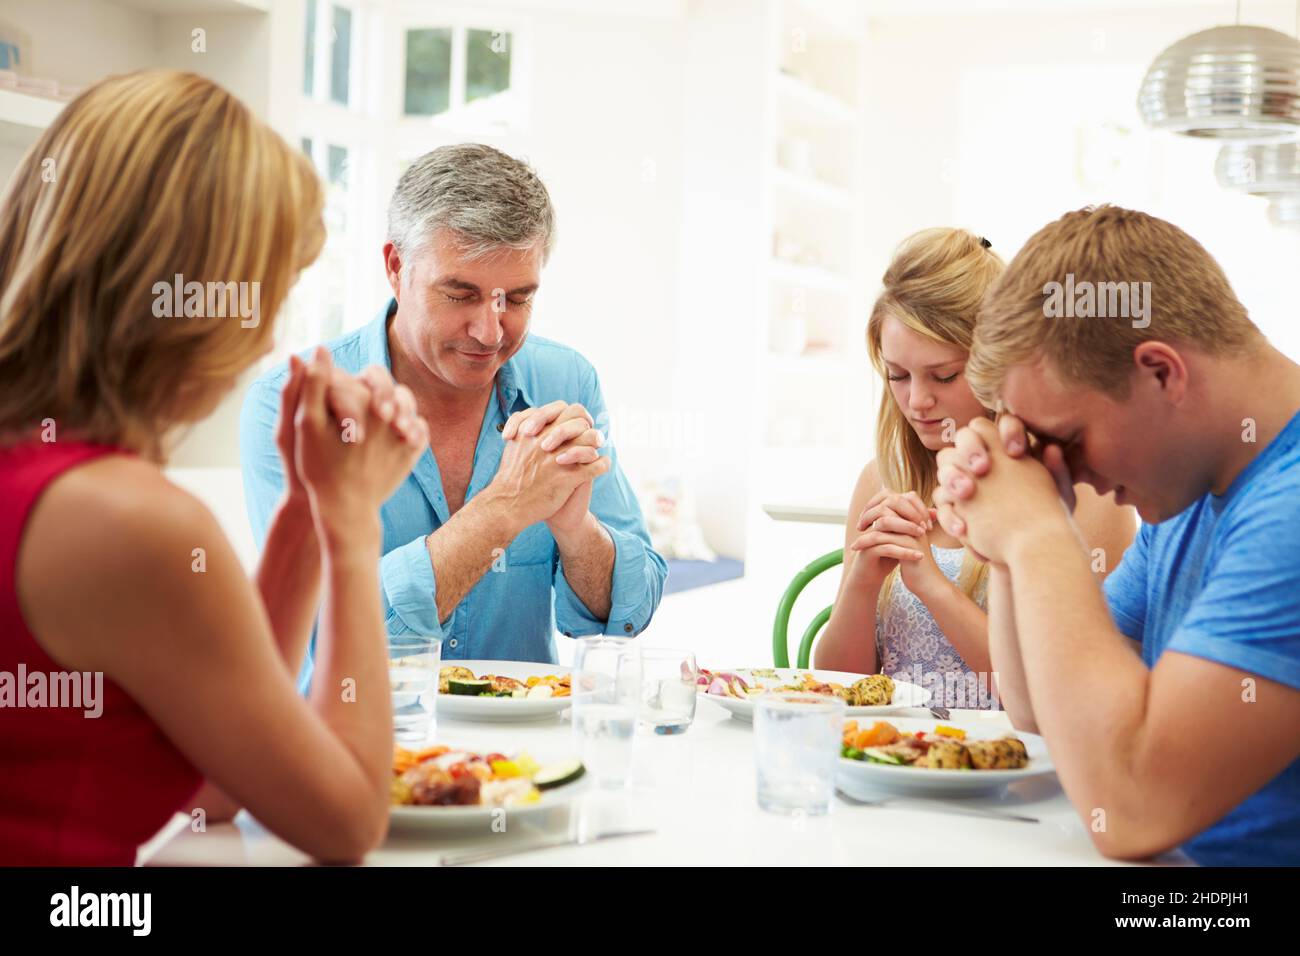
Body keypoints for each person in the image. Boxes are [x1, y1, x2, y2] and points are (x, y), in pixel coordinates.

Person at [0, 70, 427, 865]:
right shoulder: (127, 522)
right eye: (268, 294)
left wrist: (304, 509)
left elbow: (215, 780)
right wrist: (352, 525)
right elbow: (346, 823)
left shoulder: (48, 479)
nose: (266, 340)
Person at [933, 205, 1300, 865]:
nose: (1071, 469)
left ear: (1162, 372)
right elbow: (1041, 712)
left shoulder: (1288, 510)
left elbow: (1132, 809)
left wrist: (1038, 536)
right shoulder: (1189, 492)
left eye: (1067, 440)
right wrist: (1021, 529)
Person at [240, 144, 666, 683]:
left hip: (522, 761)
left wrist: (577, 531)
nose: (490, 333)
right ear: (396, 267)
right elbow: (328, 632)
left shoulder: (567, 381)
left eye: (517, 299)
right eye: (460, 294)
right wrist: (505, 508)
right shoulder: (294, 405)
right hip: (358, 751)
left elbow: (631, 607)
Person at [814, 229, 1134, 709]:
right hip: (895, 757)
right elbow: (840, 687)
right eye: (897, 376)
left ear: (998, 367)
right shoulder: (881, 479)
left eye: (943, 376)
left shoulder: (1084, 493)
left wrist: (934, 587)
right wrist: (861, 585)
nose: (917, 401)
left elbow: (1060, 700)